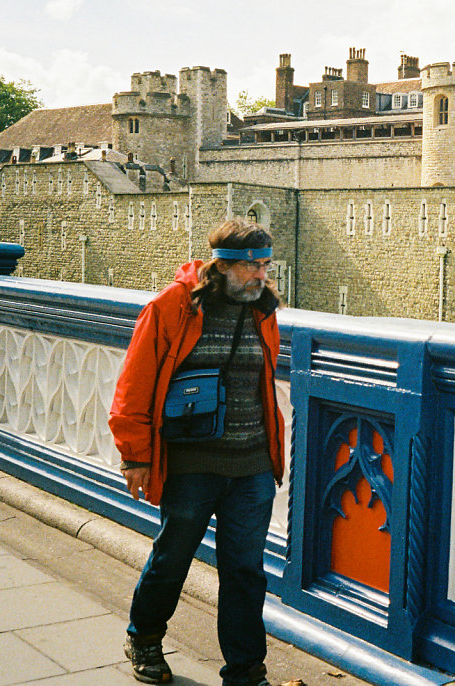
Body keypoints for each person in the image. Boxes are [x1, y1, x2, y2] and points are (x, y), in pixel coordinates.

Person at [109, 218, 285, 686]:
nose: (261, 276)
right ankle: (144, 637)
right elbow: (134, 385)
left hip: (250, 466)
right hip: (191, 463)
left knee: (246, 572)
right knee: (173, 557)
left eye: (266, 266)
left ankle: (246, 670)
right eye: (252, 268)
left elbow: (262, 387)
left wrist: (271, 458)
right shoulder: (173, 306)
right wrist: (135, 456)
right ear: (223, 266)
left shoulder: (263, 310)